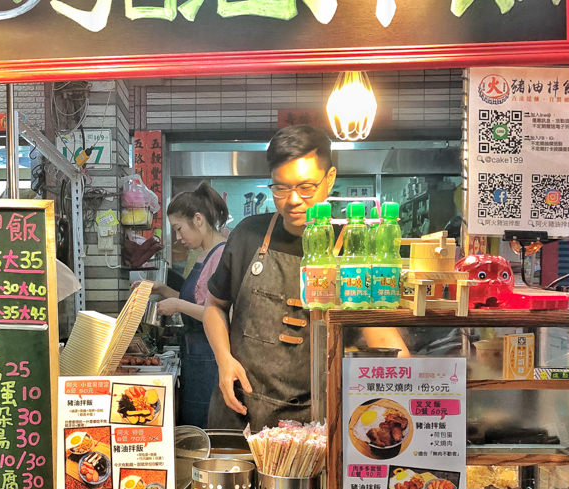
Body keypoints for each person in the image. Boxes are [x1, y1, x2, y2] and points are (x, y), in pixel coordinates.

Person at [204, 125, 406, 430]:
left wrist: (421, 387)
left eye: (306, 187)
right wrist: (223, 360)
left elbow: (380, 335)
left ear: (330, 179)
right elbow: (214, 306)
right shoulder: (248, 235)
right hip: (241, 411)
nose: (293, 199)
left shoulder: (352, 250)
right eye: (280, 188)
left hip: (318, 421)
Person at [148, 182, 229, 427]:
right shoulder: (203, 253)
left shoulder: (221, 254)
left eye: (179, 228)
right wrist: (162, 291)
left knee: (207, 425)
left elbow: (217, 313)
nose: (179, 237)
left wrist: (178, 306)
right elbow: (195, 297)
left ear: (198, 219)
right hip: (195, 355)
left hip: (211, 357)